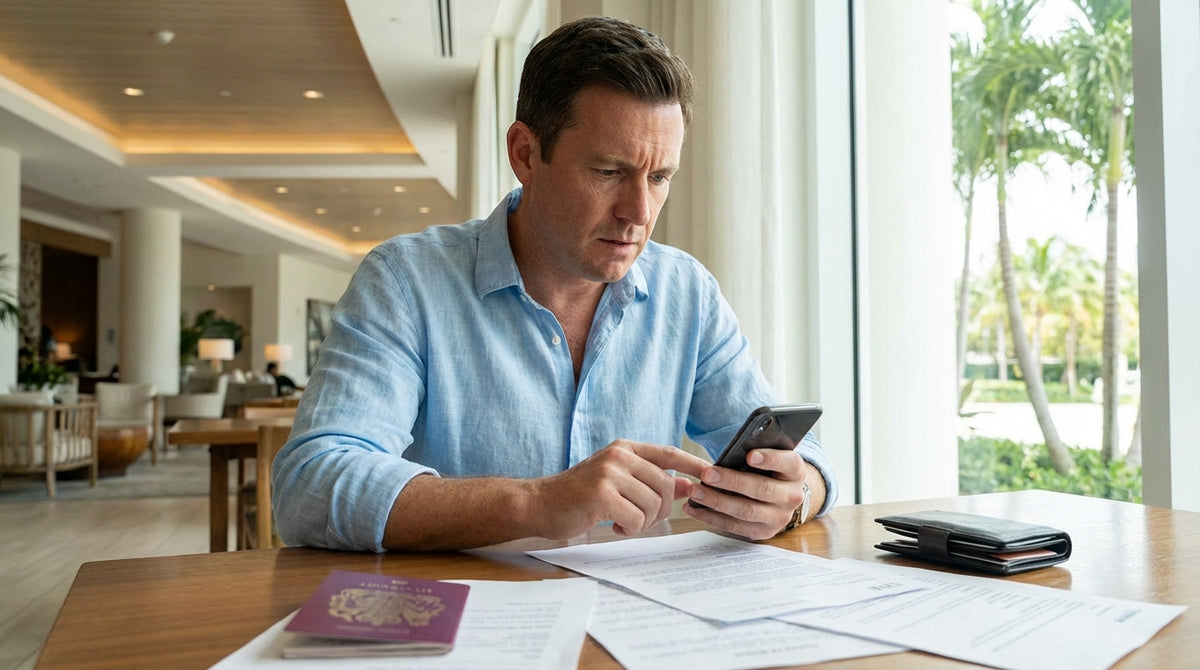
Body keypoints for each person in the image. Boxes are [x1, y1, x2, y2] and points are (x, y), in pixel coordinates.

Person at [273, 16, 838, 553]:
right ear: (525, 154)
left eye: (660, 177)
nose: (638, 211)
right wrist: (534, 502)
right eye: (608, 172)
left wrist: (793, 496)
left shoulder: (686, 292)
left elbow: (798, 455)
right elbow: (310, 485)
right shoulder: (406, 282)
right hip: (477, 628)